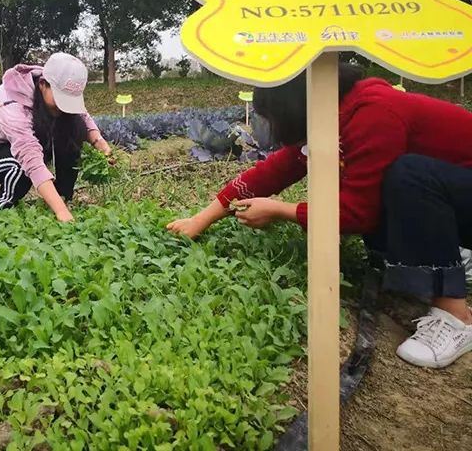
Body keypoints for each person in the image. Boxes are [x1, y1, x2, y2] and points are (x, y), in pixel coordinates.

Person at [167, 63, 472, 369]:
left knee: (408, 175)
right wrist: (201, 219)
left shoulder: (374, 114)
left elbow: (358, 214)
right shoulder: (333, 112)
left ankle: (455, 316)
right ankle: (441, 254)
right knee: (384, 182)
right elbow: (273, 172)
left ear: (293, 110)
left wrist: (279, 210)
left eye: (272, 118)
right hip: (453, 200)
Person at [0, 52, 111, 222]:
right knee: (21, 165)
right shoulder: (12, 103)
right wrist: (61, 212)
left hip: (27, 144)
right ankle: (2, 206)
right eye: (61, 99)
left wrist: (100, 144)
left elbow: (82, 115)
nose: (64, 107)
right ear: (43, 84)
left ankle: (64, 197)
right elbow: (29, 155)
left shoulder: (54, 86)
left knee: (73, 131)